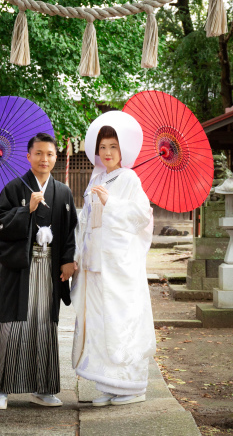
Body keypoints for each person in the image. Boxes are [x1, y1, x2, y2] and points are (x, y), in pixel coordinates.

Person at [71, 111, 156, 407]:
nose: (107, 153)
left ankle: (132, 386)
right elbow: (85, 223)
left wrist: (112, 202)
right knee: (99, 323)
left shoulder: (129, 178)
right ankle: (110, 383)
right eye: (103, 147)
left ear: (122, 151)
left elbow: (141, 216)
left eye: (113, 147)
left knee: (121, 321)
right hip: (96, 263)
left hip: (120, 266)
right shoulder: (97, 178)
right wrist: (77, 255)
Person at [0, 132, 78, 410]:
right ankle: (2, 390)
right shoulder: (14, 188)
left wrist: (67, 259)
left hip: (49, 268)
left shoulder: (62, 192)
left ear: (55, 157)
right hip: (21, 269)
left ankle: (44, 388)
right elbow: (1, 227)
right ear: (28, 156)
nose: (44, 159)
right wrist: (25, 210)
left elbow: (70, 232)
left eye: (50, 154)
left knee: (43, 324)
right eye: (38, 153)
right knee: (13, 326)